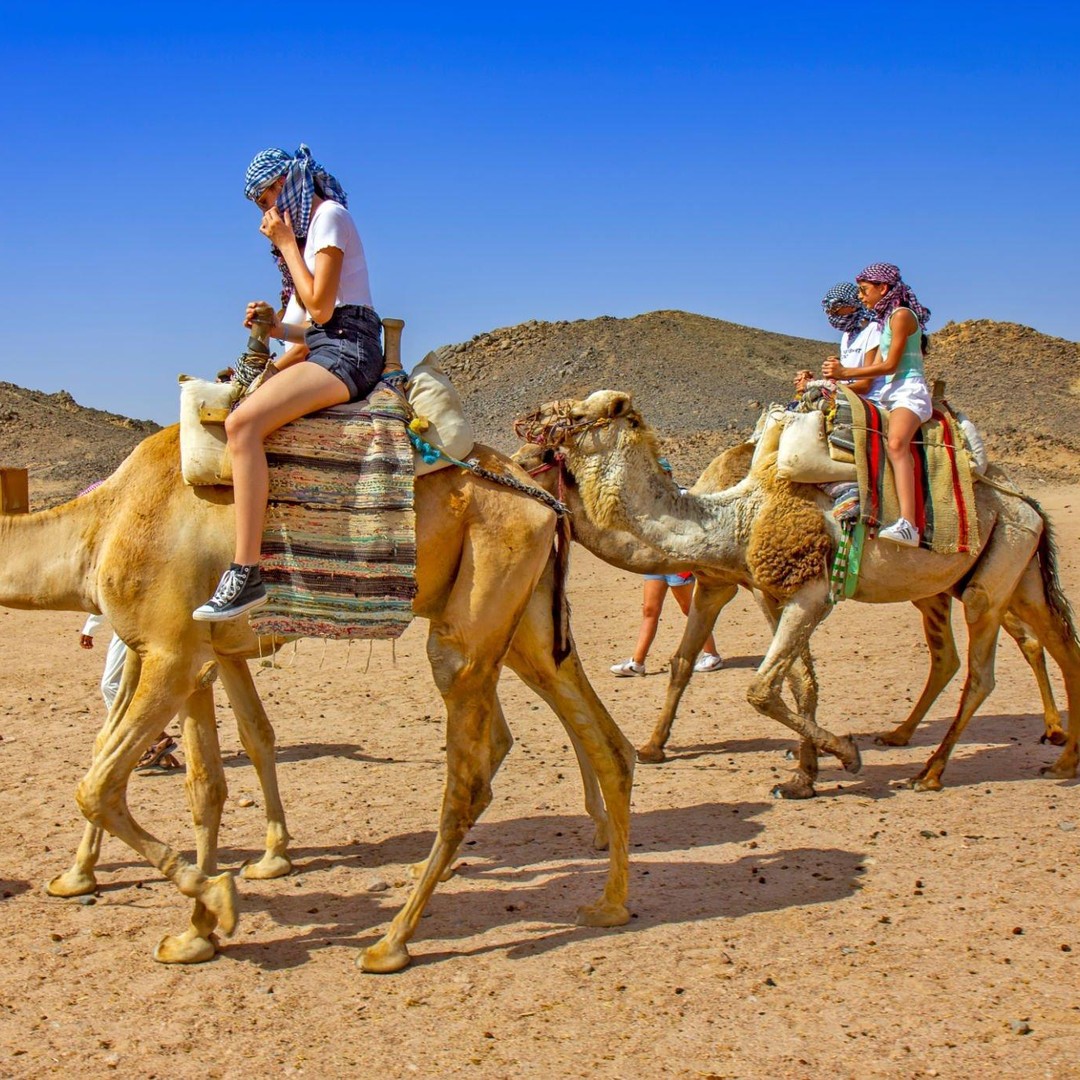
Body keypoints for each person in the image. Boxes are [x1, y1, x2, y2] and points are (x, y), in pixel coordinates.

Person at [194, 144, 384, 620]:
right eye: (260, 206)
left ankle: (245, 571)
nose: (267, 214)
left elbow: (322, 309)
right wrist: (274, 328)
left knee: (243, 425)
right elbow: (311, 327)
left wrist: (284, 244)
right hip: (329, 345)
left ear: (290, 183)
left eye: (267, 198)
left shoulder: (330, 217)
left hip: (350, 350)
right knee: (248, 408)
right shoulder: (312, 232)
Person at [822, 263, 931, 548]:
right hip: (891, 394)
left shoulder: (901, 316)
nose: (861, 297)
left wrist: (845, 374)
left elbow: (890, 365)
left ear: (883, 288)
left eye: (864, 290)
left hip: (908, 391)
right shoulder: (886, 320)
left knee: (896, 444)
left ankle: (909, 524)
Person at [80, 615, 179, 770]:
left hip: (132, 623)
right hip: (135, 623)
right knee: (131, 687)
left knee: (111, 685)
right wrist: (91, 626)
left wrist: (91, 627)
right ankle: (157, 747)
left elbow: (111, 591)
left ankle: (156, 738)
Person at [610, 572, 723, 676]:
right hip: (656, 563)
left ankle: (712, 655)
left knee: (690, 609)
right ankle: (637, 664)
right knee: (649, 610)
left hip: (676, 565)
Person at [819, 281, 883, 402]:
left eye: (836, 309)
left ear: (853, 305)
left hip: (871, 399)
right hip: (849, 397)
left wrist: (833, 390)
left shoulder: (873, 329)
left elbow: (865, 385)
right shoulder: (847, 336)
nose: (832, 314)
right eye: (829, 311)